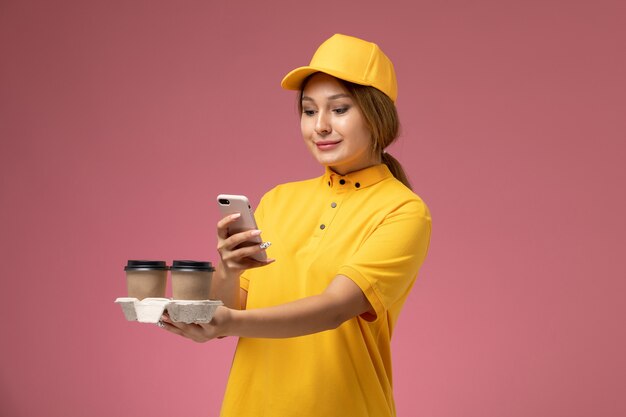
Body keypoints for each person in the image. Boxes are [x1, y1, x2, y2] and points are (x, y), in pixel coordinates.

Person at [161, 33, 432, 417]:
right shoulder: (278, 200)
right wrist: (230, 266)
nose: (320, 126)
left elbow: (335, 307)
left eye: (339, 109)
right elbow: (224, 316)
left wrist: (227, 319)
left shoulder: (402, 210)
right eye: (308, 111)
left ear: (378, 115)